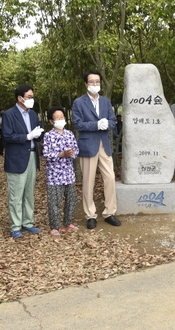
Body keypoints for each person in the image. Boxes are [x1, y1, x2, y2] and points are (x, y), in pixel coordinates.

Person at [72, 70, 121, 230]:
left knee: (110, 178)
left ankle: (109, 212)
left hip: (104, 144)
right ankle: (90, 215)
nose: (95, 84)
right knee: (88, 181)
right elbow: (78, 124)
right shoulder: (79, 102)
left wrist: (108, 124)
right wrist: (95, 125)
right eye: (92, 82)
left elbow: (113, 120)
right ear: (86, 84)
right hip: (88, 145)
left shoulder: (106, 102)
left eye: (97, 82)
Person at [2, 85, 44, 238]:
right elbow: (7, 136)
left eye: (32, 97)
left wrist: (39, 134)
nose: (31, 100)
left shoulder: (33, 114)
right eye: (29, 97)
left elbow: (37, 132)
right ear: (20, 98)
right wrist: (26, 137)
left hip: (32, 156)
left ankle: (27, 223)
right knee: (16, 194)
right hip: (17, 158)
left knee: (29, 193)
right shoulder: (9, 114)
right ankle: (15, 226)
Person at [43, 106, 80, 236]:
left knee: (71, 199)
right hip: (54, 175)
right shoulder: (48, 136)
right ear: (51, 122)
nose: (60, 120)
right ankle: (54, 226)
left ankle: (67, 223)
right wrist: (61, 154)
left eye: (62, 117)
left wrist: (71, 154)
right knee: (54, 201)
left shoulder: (69, 134)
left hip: (68, 173)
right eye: (57, 118)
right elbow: (46, 154)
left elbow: (76, 150)